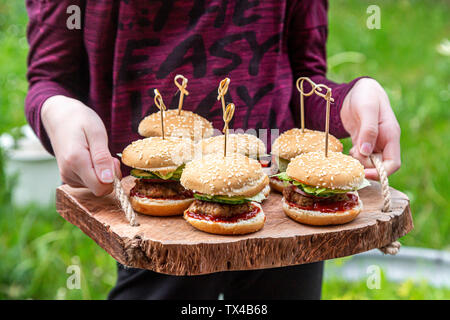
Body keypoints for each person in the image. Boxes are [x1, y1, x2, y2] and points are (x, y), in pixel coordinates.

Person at [25, 0, 401, 300]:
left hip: (281, 222)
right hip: (161, 234)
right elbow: (49, 78)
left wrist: (347, 99)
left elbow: (307, 78)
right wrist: (57, 110)